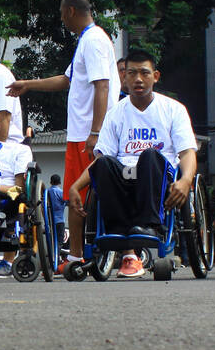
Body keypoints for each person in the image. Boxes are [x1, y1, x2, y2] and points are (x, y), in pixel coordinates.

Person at [7, 0, 121, 272]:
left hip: (87, 133)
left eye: (61, 13)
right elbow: (65, 80)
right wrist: (28, 84)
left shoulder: (93, 40)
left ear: (70, 11)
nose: (61, 19)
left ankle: (83, 255)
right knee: (75, 195)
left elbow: (102, 85)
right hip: (80, 133)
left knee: (82, 194)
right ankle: (79, 255)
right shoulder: (87, 40)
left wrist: (96, 132)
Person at [67, 51, 196, 279]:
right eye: (132, 73)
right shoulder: (115, 113)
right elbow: (100, 159)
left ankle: (148, 227)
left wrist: (186, 180)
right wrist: (76, 186)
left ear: (155, 76)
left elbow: (187, 152)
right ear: (124, 78)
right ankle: (117, 231)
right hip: (124, 175)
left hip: (157, 173)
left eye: (144, 73)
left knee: (149, 155)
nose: (138, 79)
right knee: (105, 162)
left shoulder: (173, 109)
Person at [0, 110, 31, 275]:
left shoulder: (18, 150)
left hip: (11, 195)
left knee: (13, 201)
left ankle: (8, 259)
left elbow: (19, 189)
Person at [48, 173, 66, 249]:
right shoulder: (60, 192)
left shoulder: (46, 192)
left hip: (51, 221)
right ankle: (58, 257)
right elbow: (68, 202)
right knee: (60, 241)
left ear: (50, 182)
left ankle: (53, 257)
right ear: (60, 182)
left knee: (52, 241)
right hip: (60, 220)